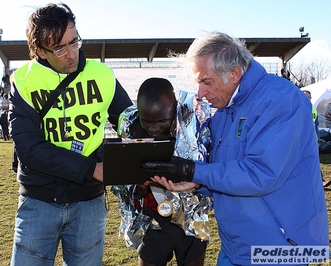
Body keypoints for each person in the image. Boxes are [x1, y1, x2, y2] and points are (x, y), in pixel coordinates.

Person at [141, 32, 330, 265]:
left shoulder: (280, 100)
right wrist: (199, 182)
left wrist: (194, 171)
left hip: (278, 248)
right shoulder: (223, 111)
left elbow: (260, 174)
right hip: (236, 248)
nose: (200, 93)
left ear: (234, 74)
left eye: (205, 81)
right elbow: (227, 173)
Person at [8, 3, 132, 265]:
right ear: (40, 51)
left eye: (74, 42)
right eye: (59, 48)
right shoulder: (24, 80)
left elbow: (130, 124)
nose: (71, 54)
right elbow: (30, 150)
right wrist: (91, 169)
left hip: (89, 201)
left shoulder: (102, 75)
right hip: (38, 200)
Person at [112, 78, 212, 266]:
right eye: (147, 121)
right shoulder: (132, 128)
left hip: (190, 218)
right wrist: (141, 183)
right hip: (154, 218)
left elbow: (205, 172)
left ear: (174, 110)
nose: (154, 128)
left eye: (162, 121)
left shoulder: (194, 123)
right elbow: (131, 191)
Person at [302, 90, 331, 188]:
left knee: (314, 161)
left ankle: (319, 180)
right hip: (302, 142)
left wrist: (317, 141)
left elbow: (316, 127)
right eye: (305, 96)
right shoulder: (298, 109)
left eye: (309, 97)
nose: (307, 99)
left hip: (312, 141)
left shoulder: (313, 110)